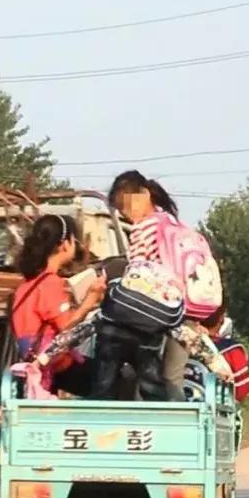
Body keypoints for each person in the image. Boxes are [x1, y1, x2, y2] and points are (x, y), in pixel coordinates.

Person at [107, 170, 194, 401]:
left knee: (142, 376)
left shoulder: (142, 229)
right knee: (173, 376)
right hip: (184, 309)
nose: (126, 214)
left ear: (145, 194)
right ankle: (181, 420)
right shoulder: (172, 222)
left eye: (126, 206)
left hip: (154, 313)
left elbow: (135, 276)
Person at [10, 214, 106, 396]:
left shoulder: (25, 287)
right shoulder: (51, 283)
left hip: (34, 360)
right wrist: (91, 299)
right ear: (64, 244)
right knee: (115, 379)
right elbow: (67, 328)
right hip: (54, 364)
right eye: (73, 240)